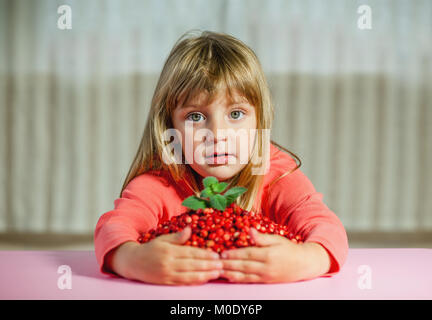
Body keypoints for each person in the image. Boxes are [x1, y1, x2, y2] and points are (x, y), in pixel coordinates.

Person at [94, 30, 349, 286]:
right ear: (169, 127)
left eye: (236, 114)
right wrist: (132, 259)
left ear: (260, 119)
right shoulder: (159, 181)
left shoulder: (276, 172)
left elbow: (326, 226)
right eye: (195, 117)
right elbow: (114, 227)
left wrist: (305, 259)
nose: (217, 135)